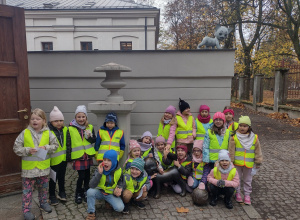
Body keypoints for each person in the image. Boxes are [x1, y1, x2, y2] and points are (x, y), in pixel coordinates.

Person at [13, 108, 58, 220]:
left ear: (43, 120)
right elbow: (16, 148)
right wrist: (27, 150)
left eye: (38, 119)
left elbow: (55, 146)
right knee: (27, 191)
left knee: (43, 188)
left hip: (43, 168)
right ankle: (26, 210)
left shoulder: (49, 133)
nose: (34, 121)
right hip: (29, 170)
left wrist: (46, 148)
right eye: (32, 118)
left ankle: (43, 203)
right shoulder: (25, 133)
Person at [228, 116, 263, 205]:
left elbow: (258, 150)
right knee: (237, 179)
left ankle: (247, 195)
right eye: (240, 125)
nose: (242, 128)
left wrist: (258, 161)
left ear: (249, 127)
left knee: (248, 180)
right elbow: (231, 151)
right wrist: (230, 162)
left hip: (249, 163)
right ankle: (237, 193)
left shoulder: (254, 138)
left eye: (245, 126)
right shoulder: (234, 137)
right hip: (237, 163)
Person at [85, 150, 124, 220]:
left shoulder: (119, 170)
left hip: (111, 194)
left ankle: (108, 202)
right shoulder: (99, 169)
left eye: (109, 160)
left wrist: (119, 188)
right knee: (90, 192)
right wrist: (99, 173)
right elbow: (91, 185)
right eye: (104, 159)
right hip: (99, 192)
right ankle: (91, 213)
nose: (105, 162)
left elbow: (121, 182)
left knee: (120, 208)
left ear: (114, 161)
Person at [69, 105, 96, 204]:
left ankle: (86, 191)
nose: (81, 119)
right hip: (78, 156)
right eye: (79, 117)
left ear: (86, 117)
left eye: (83, 117)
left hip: (87, 156)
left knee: (87, 175)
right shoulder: (71, 128)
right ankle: (78, 193)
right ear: (75, 117)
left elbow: (94, 140)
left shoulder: (90, 127)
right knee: (81, 176)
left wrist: (89, 137)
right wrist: (69, 158)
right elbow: (69, 144)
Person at [48, 106, 71, 205]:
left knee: (62, 177)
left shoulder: (66, 129)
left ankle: (62, 192)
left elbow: (68, 144)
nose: (59, 123)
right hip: (53, 160)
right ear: (51, 122)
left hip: (63, 160)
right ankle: (52, 195)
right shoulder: (48, 131)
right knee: (53, 179)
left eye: (61, 120)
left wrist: (69, 158)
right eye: (56, 120)